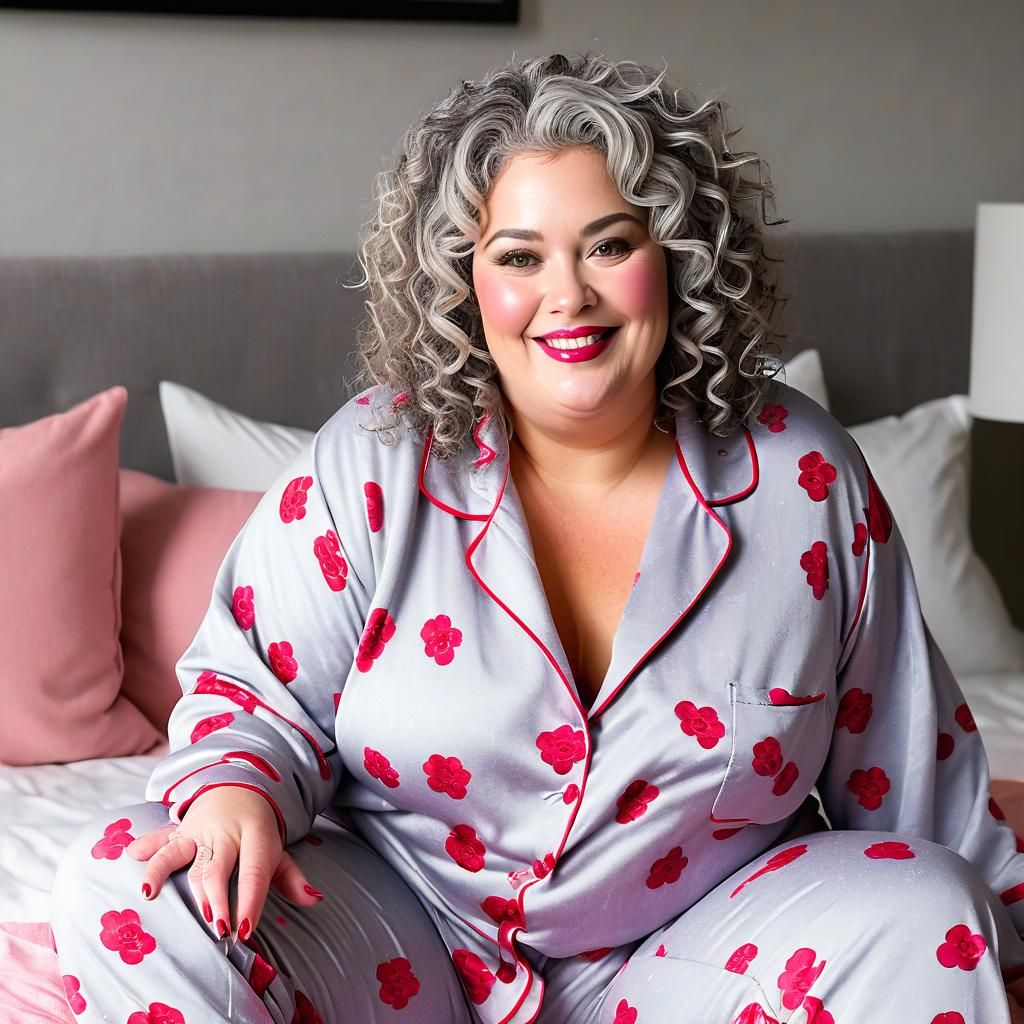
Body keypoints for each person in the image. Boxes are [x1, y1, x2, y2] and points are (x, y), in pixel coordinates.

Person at [50, 52, 1024, 1024]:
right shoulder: (372, 462)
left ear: (678, 257)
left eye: (608, 245)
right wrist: (235, 791)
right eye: (519, 256)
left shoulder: (805, 478)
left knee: (930, 911)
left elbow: (908, 767)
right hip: (397, 934)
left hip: (688, 950)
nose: (568, 296)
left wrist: (991, 938)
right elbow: (253, 695)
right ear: (463, 284)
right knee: (120, 885)